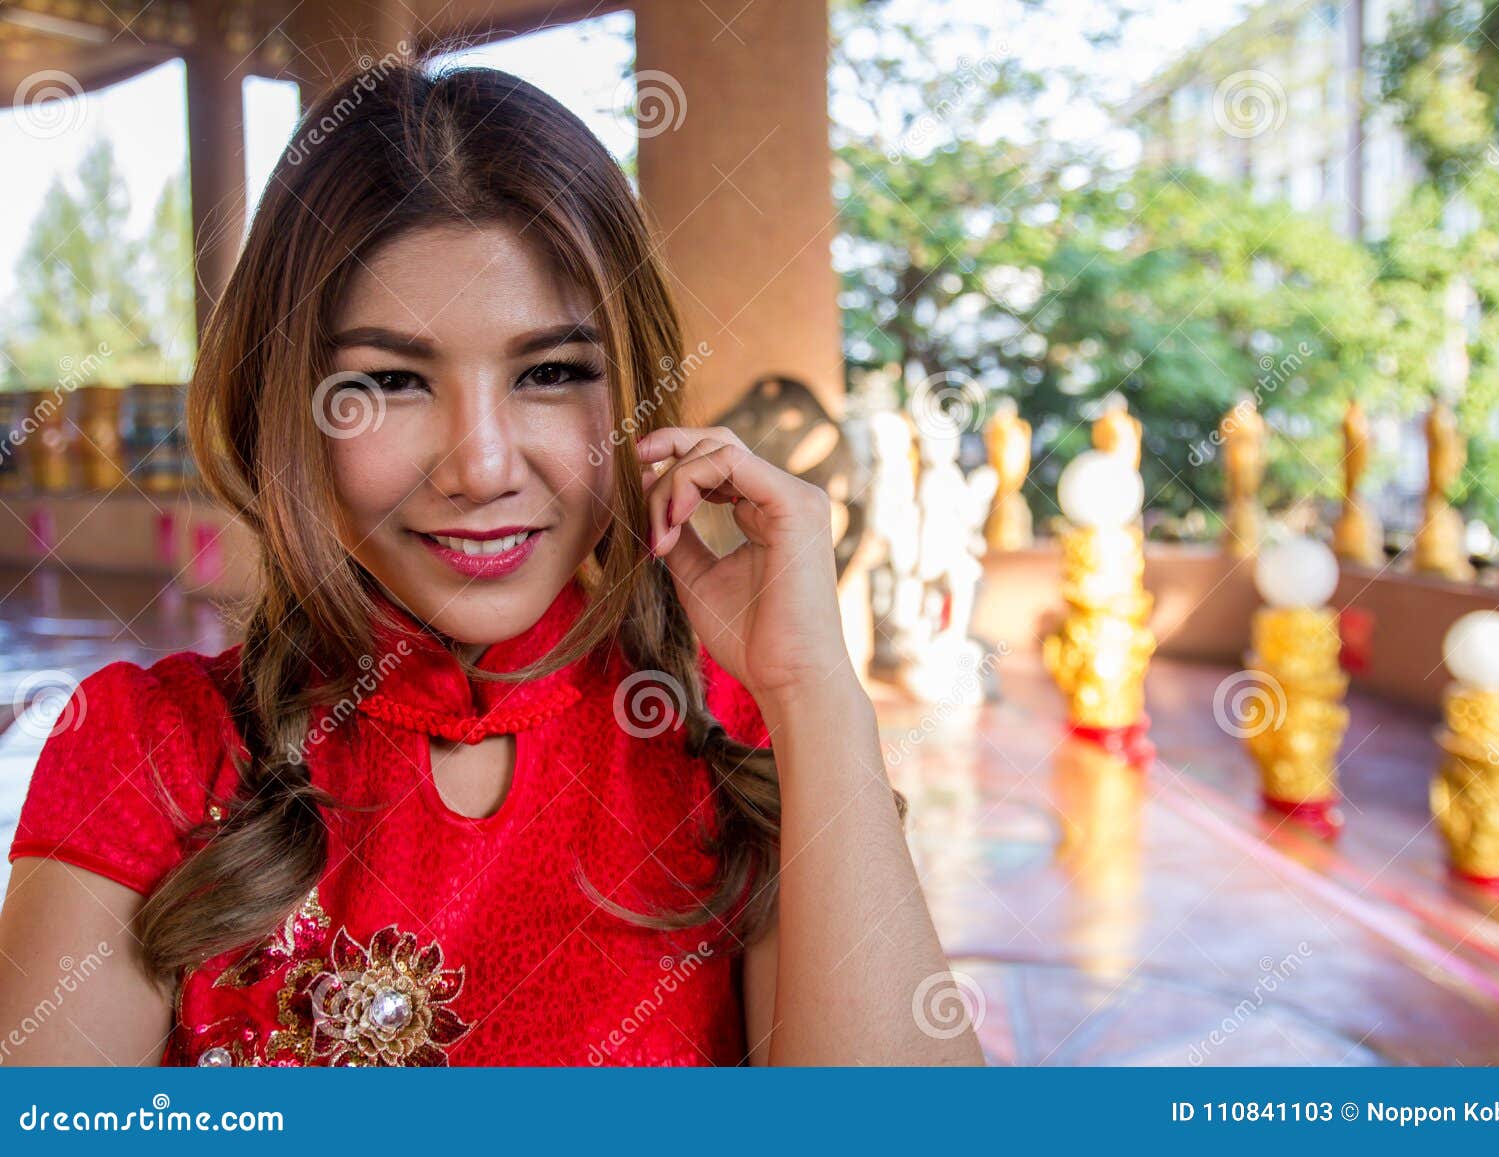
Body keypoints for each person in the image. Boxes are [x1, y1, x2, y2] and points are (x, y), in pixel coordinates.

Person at [0, 60, 981, 1067]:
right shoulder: (147, 752)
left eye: (550, 373)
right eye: (389, 379)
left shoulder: (735, 746)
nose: (480, 465)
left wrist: (815, 696)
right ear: (284, 407)